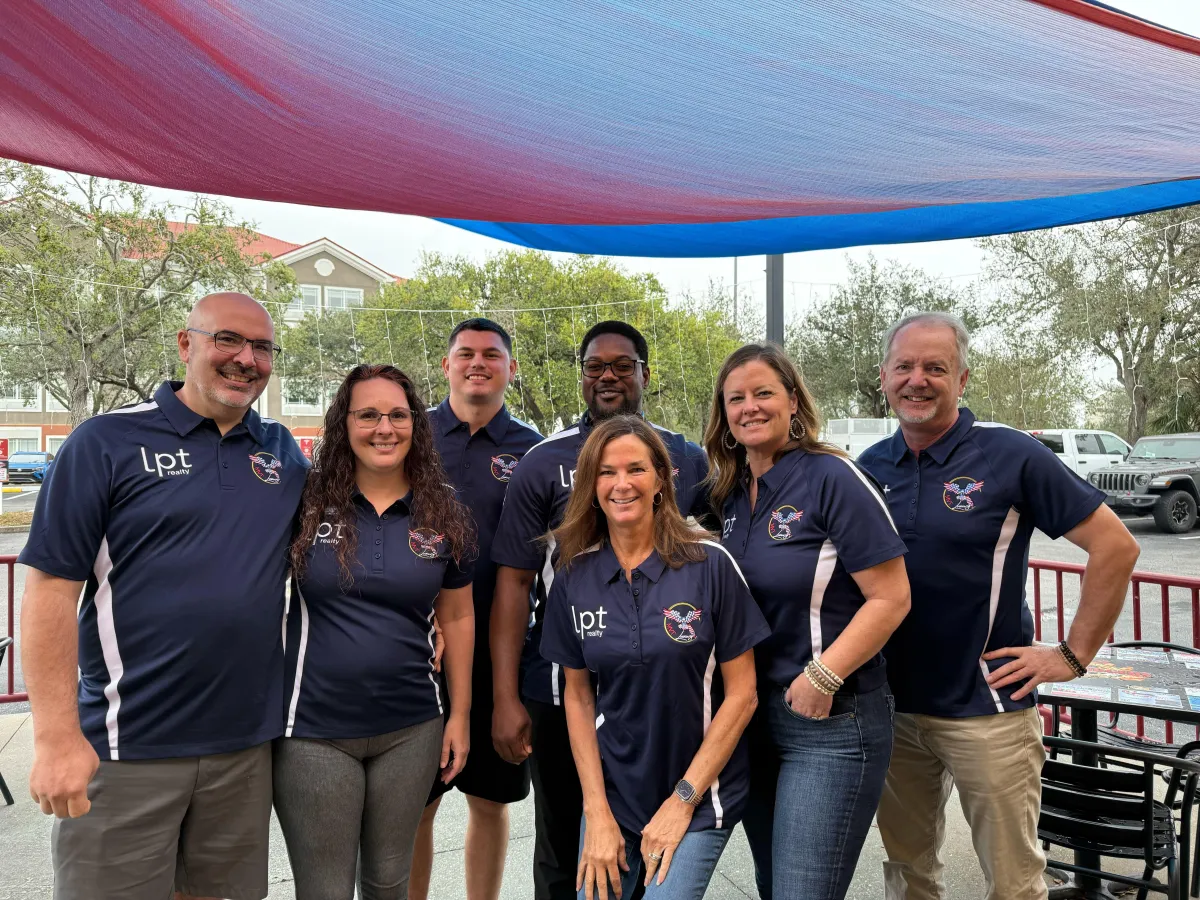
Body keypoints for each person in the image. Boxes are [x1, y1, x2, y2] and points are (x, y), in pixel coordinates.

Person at [19, 292, 307, 900]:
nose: (246, 359)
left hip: (245, 750)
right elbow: (48, 590)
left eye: (261, 347)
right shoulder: (104, 442)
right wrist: (54, 737)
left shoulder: (282, 453)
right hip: (127, 749)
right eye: (227, 339)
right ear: (186, 344)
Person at [856, 312, 1140, 900]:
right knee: (907, 872)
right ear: (882, 377)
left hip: (987, 708)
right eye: (904, 366)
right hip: (892, 708)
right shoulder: (869, 468)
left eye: (936, 367)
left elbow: (1116, 546)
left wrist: (1072, 653)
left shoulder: (1009, 454)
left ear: (962, 380)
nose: (918, 379)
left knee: (1014, 882)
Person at [490, 320, 712, 900]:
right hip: (563, 687)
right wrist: (508, 696)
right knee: (566, 845)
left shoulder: (684, 457)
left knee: (652, 844)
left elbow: (717, 557)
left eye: (622, 364)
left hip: (655, 692)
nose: (608, 375)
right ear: (582, 376)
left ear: (645, 373)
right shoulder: (543, 462)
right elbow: (513, 583)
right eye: (595, 366)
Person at [704, 342, 912, 900]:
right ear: (723, 415)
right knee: (775, 884)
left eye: (764, 393)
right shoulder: (727, 495)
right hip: (751, 717)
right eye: (736, 398)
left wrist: (824, 675)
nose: (750, 407)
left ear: (793, 401)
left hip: (830, 720)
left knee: (803, 890)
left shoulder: (832, 476)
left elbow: (892, 598)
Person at [540, 416, 768, 900]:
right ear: (590, 485)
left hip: (700, 794)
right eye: (606, 472)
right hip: (615, 797)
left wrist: (683, 801)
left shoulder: (710, 564)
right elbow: (578, 699)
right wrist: (597, 812)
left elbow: (743, 696)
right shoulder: (575, 576)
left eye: (636, 469)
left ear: (661, 480)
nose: (621, 484)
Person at [276, 363, 476, 900]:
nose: (384, 428)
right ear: (344, 425)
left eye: (396, 415)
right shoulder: (303, 503)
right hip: (315, 730)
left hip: (412, 728)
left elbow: (457, 616)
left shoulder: (443, 511)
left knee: (389, 884)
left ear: (416, 425)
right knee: (325, 889)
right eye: (367, 415)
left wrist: (460, 715)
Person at [411, 319, 542, 900]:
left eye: (493, 354)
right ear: (446, 365)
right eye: (465, 353)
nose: (478, 363)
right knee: (417, 804)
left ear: (511, 369)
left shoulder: (533, 450)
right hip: (420, 651)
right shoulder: (410, 437)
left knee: (490, 801)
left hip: (502, 650)